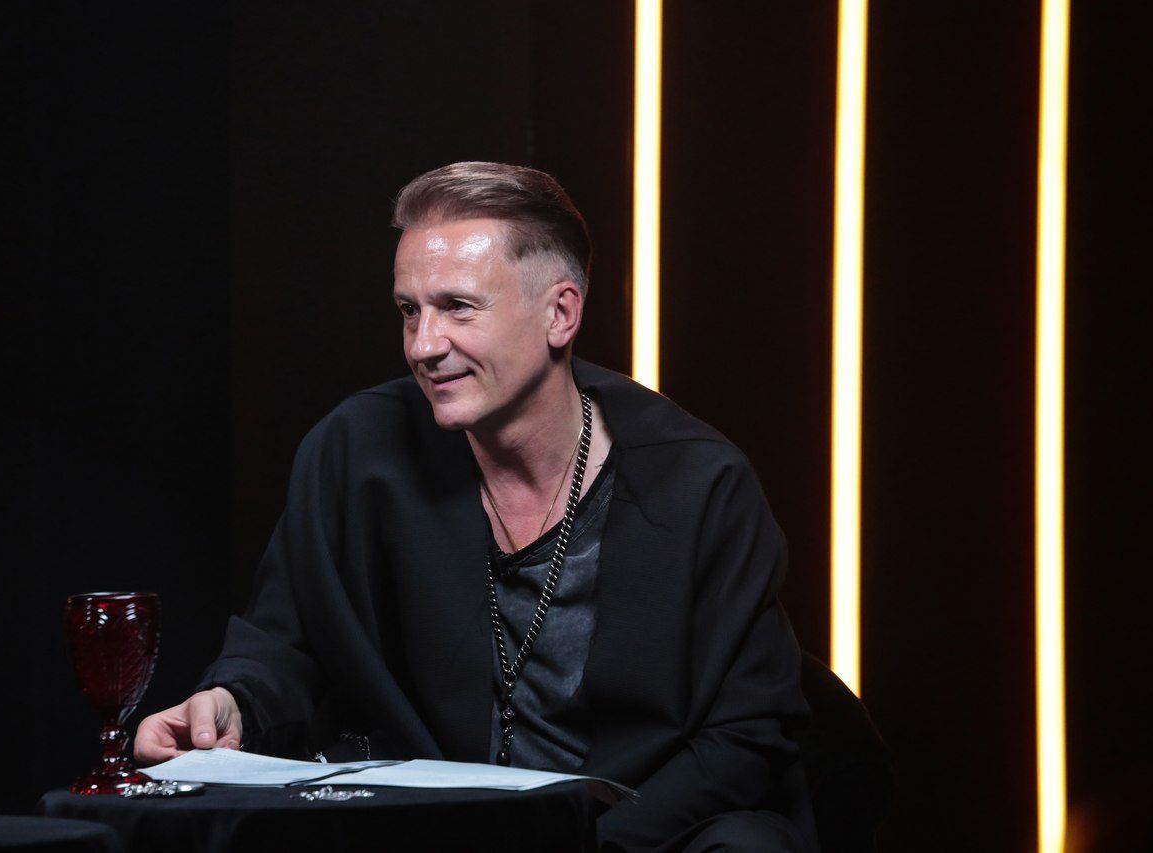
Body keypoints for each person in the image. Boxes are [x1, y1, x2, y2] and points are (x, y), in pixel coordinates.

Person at [135, 162, 816, 851]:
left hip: (628, 830)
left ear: (560, 313)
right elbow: (287, 642)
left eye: (458, 307)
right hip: (428, 824)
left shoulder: (699, 483)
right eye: (409, 310)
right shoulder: (355, 449)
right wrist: (233, 701)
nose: (423, 346)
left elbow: (745, 738)